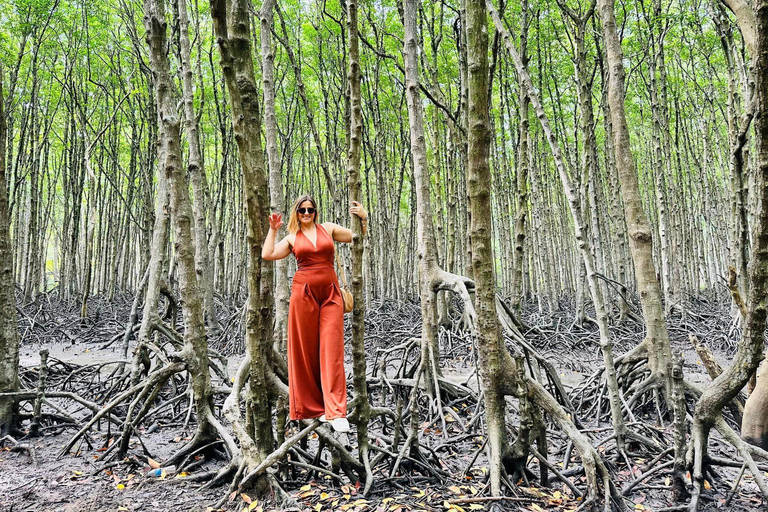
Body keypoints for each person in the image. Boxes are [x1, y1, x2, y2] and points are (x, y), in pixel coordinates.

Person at [262, 195, 368, 433]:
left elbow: (356, 237)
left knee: (332, 350)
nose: (307, 213)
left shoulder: (327, 229)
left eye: (310, 209)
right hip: (303, 294)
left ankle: (336, 411)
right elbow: (267, 254)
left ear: (316, 211)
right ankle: (313, 408)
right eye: (302, 210)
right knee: (306, 351)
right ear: (296, 213)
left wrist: (363, 218)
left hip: (331, 295)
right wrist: (272, 230)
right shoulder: (292, 238)